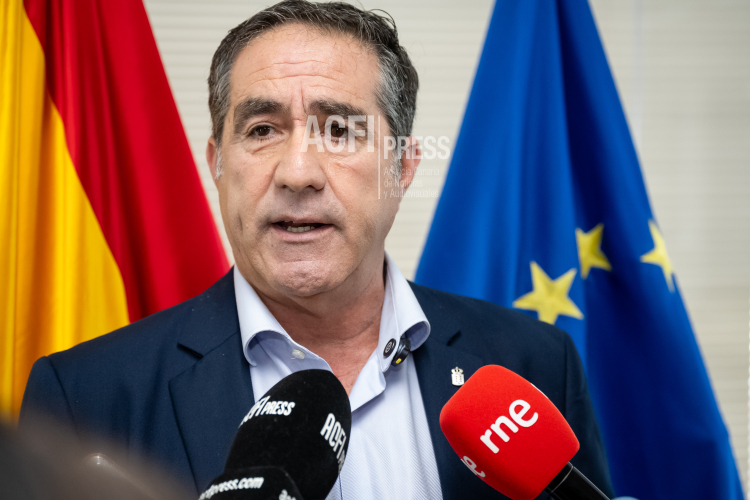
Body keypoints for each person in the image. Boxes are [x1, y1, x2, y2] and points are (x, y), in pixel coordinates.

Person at [21, 1, 615, 499]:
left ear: (403, 168)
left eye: (340, 130)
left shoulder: (536, 364)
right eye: (262, 130)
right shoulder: (84, 398)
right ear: (217, 165)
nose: (298, 173)